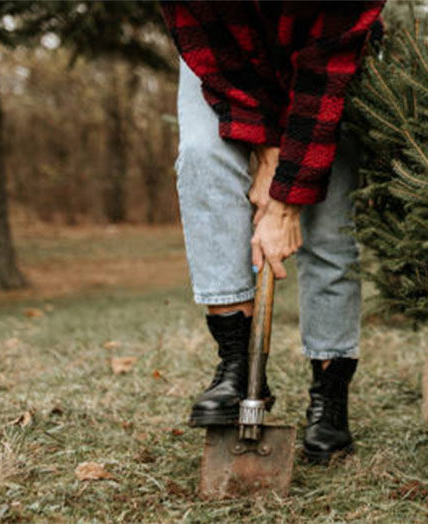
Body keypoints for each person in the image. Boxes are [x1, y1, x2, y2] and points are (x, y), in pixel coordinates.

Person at [161, 1, 384, 464]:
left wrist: (284, 202)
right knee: (204, 157)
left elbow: (325, 75)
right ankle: (237, 366)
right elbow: (214, 51)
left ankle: (329, 396)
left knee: (329, 216)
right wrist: (265, 150)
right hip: (226, 62)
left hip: (330, 63)